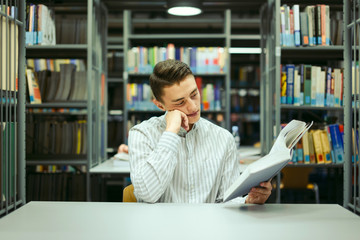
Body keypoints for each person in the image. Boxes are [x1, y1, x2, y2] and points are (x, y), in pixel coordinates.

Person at [128, 59, 272, 204]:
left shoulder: (223, 138)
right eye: (180, 102)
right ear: (160, 105)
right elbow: (147, 194)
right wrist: (171, 132)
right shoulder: (142, 134)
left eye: (194, 94)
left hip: (209, 226)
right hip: (160, 226)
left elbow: (228, 201)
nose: (193, 107)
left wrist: (248, 201)